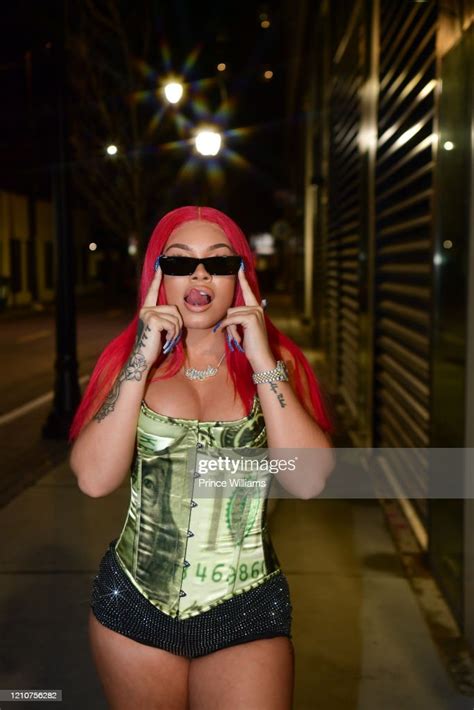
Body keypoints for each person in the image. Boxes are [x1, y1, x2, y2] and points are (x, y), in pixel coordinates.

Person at [68, 205, 335, 709]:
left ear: (240, 279)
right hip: (134, 608)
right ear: (157, 278)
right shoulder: (127, 364)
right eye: (178, 262)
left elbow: (309, 481)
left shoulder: (279, 364)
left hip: (246, 608)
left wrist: (260, 359)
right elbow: (94, 479)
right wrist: (142, 358)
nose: (199, 274)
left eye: (218, 262)